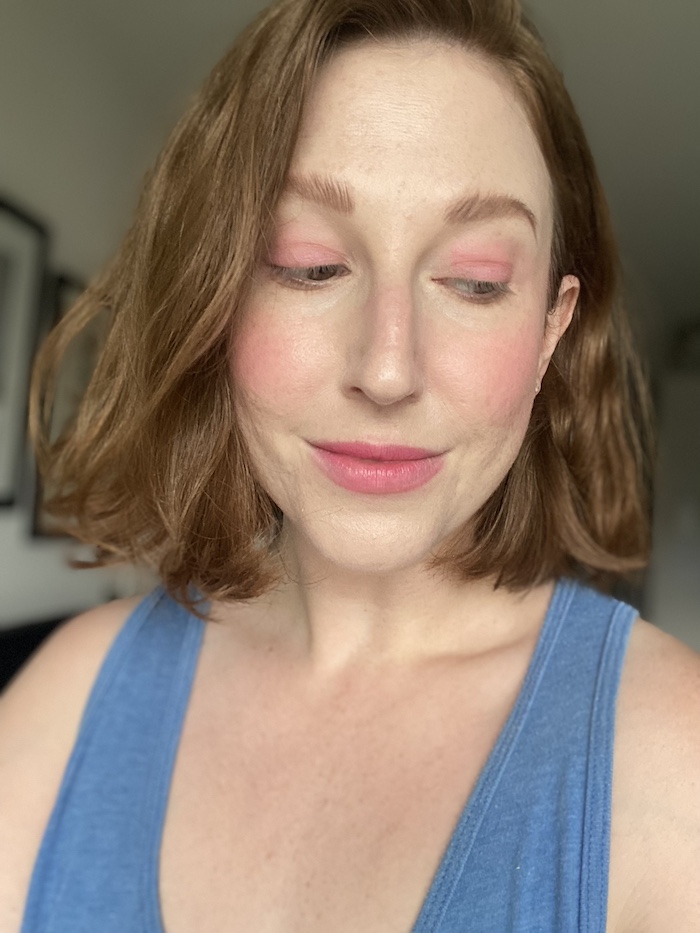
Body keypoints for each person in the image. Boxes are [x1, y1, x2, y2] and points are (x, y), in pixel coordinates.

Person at [1, 0, 699, 929]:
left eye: (477, 281)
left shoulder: (673, 760)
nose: (387, 367)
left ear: (549, 333)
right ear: (217, 298)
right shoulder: (68, 697)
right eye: (309, 265)